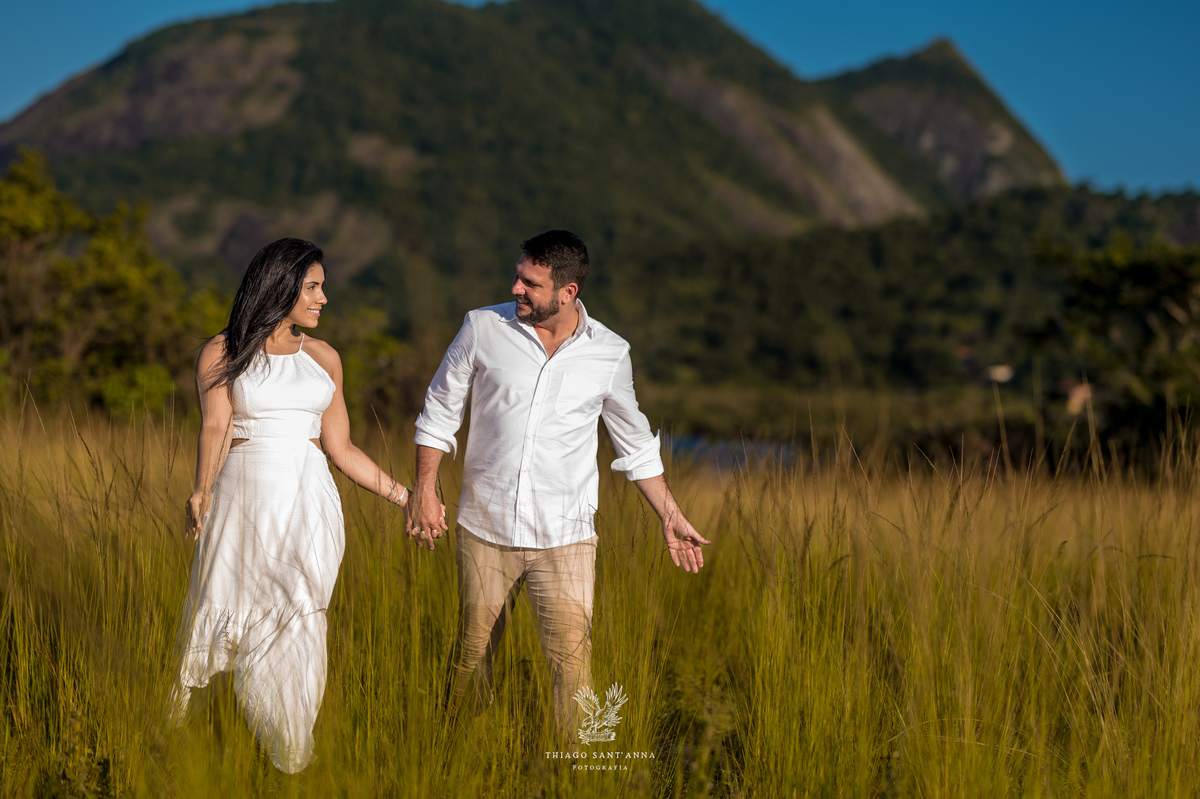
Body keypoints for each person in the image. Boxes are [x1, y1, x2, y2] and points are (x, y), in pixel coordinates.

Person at [406, 229, 710, 741]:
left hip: (566, 539)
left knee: (573, 671)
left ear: (568, 293)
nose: (516, 288)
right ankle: (452, 760)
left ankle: (578, 777)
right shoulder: (483, 328)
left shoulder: (610, 353)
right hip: (486, 528)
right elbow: (439, 412)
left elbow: (634, 444)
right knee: (470, 662)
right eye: (518, 275)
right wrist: (425, 489)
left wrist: (670, 513)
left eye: (531, 282)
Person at [170, 237, 428, 772]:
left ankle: (286, 750)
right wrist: (201, 490)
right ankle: (205, 740)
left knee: (300, 614)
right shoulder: (223, 351)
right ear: (280, 286)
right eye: (312, 287)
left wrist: (405, 497)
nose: (323, 299)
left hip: (311, 503)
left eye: (322, 287)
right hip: (245, 499)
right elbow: (217, 426)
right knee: (227, 606)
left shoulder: (324, 358)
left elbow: (342, 449)